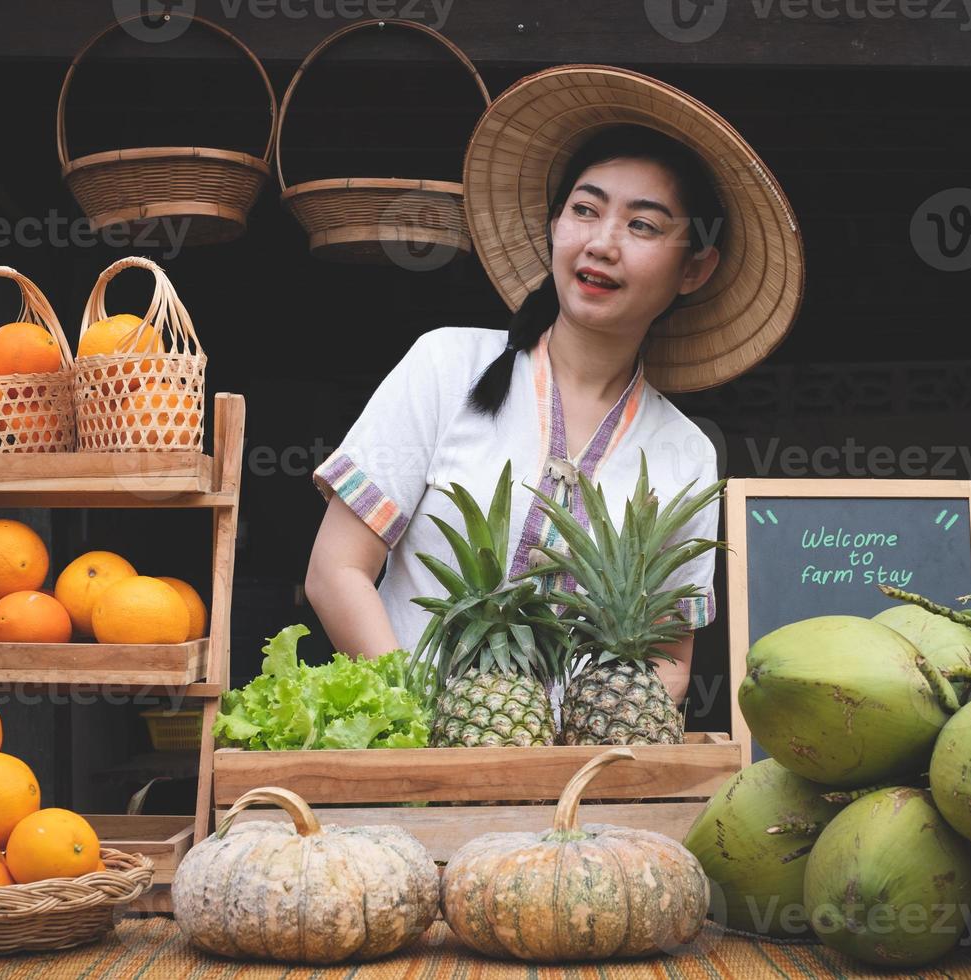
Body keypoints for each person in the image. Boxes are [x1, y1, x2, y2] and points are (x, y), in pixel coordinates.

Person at [305, 66, 804, 707]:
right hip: (407, 767)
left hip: (573, 788)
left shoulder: (685, 453)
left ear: (695, 267)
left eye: (643, 225)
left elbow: (668, 662)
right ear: (554, 224)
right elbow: (335, 572)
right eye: (585, 210)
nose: (601, 243)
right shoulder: (445, 365)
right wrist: (423, 724)